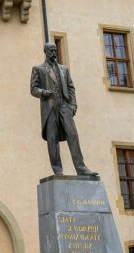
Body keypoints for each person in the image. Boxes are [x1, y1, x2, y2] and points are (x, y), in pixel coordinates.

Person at [30, 43, 98, 176]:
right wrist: (43, 92)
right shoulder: (38, 69)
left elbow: (71, 88)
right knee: (52, 139)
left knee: (73, 136)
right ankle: (57, 169)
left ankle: (81, 168)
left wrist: (73, 105)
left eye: (55, 50)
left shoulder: (64, 69)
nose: (54, 52)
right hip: (50, 108)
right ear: (45, 51)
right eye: (51, 50)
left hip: (64, 106)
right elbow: (33, 89)